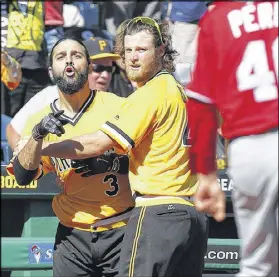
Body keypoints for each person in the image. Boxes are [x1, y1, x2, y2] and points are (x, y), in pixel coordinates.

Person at [29, 17, 209, 277]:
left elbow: (96, 143)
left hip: (158, 212)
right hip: (191, 214)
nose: (133, 58)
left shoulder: (152, 92)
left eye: (142, 50)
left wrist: (41, 145)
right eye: (128, 51)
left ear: (161, 50)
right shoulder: (179, 89)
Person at [7, 37, 134, 277]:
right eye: (60, 56)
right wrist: (37, 135)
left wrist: (115, 162)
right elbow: (23, 176)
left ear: (87, 65)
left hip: (122, 229)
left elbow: (149, 160)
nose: (68, 60)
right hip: (72, 237)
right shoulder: (40, 120)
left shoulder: (120, 106)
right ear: (50, 70)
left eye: (76, 55)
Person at [186, 2, 278, 277]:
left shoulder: (217, 18)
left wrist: (205, 174)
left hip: (249, 150)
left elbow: (201, 102)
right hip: (251, 141)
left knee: (257, 267)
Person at [6, 37, 121, 150]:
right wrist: (29, 163)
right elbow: (13, 131)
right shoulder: (50, 95)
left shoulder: (113, 101)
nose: (105, 75)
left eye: (109, 69)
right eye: (98, 68)